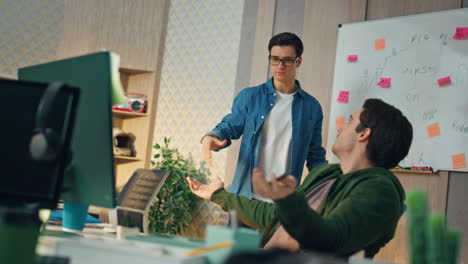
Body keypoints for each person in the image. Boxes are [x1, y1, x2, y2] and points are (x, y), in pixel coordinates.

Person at [187, 98, 413, 258]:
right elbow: (276, 217)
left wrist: (287, 199)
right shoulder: (327, 174)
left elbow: (329, 239)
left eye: (350, 120)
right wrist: (218, 195)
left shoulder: (380, 191)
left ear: (364, 133)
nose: (341, 126)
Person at [201, 32, 326, 201]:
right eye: (275, 59)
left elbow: (315, 156)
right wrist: (212, 137)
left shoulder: (311, 107)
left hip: (284, 204)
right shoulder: (250, 97)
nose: (280, 65)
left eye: (287, 60)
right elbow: (229, 125)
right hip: (246, 199)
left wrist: (331, 185)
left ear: (299, 61)